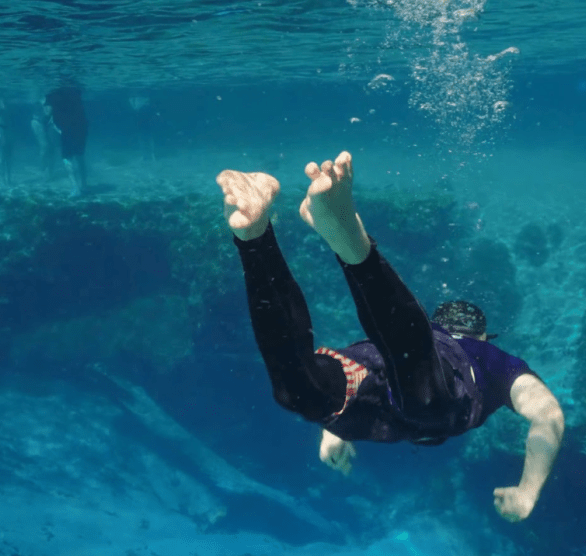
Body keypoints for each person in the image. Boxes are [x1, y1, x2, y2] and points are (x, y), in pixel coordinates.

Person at [217, 150, 565, 522]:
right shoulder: (493, 359)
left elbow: (382, 349)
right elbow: (548, 416)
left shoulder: (429, 334)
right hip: (419, 397)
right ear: (481, 335)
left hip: (368, 381)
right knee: (419, 383)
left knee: (301, 388)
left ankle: (256, 236)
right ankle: (337, 239)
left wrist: (333, 428)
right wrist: (527, 492)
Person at [41, 86, 88, 196]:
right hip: (81, 128)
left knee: (67, 159)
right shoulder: (75, 92)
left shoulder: (51, 96)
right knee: (80, 157)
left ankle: (75, 188)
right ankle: (84, 186)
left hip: (67, 130)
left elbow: (47, 112)